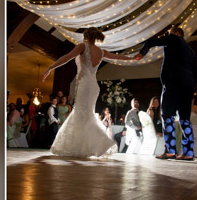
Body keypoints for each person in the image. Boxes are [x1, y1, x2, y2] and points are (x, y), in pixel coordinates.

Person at [41, 29, 137, 158]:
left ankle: (81, 147)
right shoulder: (101, 51)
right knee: (87, 115)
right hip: (93, 86)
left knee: (81, 113)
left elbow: (66, 57)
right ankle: (89, 146)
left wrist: (50, 67)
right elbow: (117, 57)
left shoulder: (83, 46)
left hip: (85, 84)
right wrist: (132, 58)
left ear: (86, 36)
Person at [134, 26, 197, 161]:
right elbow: (194, 72)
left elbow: (151, 42)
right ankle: (188, 152)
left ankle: (170, 150)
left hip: (173, 83)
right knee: (185, 119)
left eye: (169, 33)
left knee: (167, 116)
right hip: (188, 86)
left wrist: (142, 53)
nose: (168, 35)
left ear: (176, 33)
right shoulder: (191, 50)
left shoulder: (173, 39)